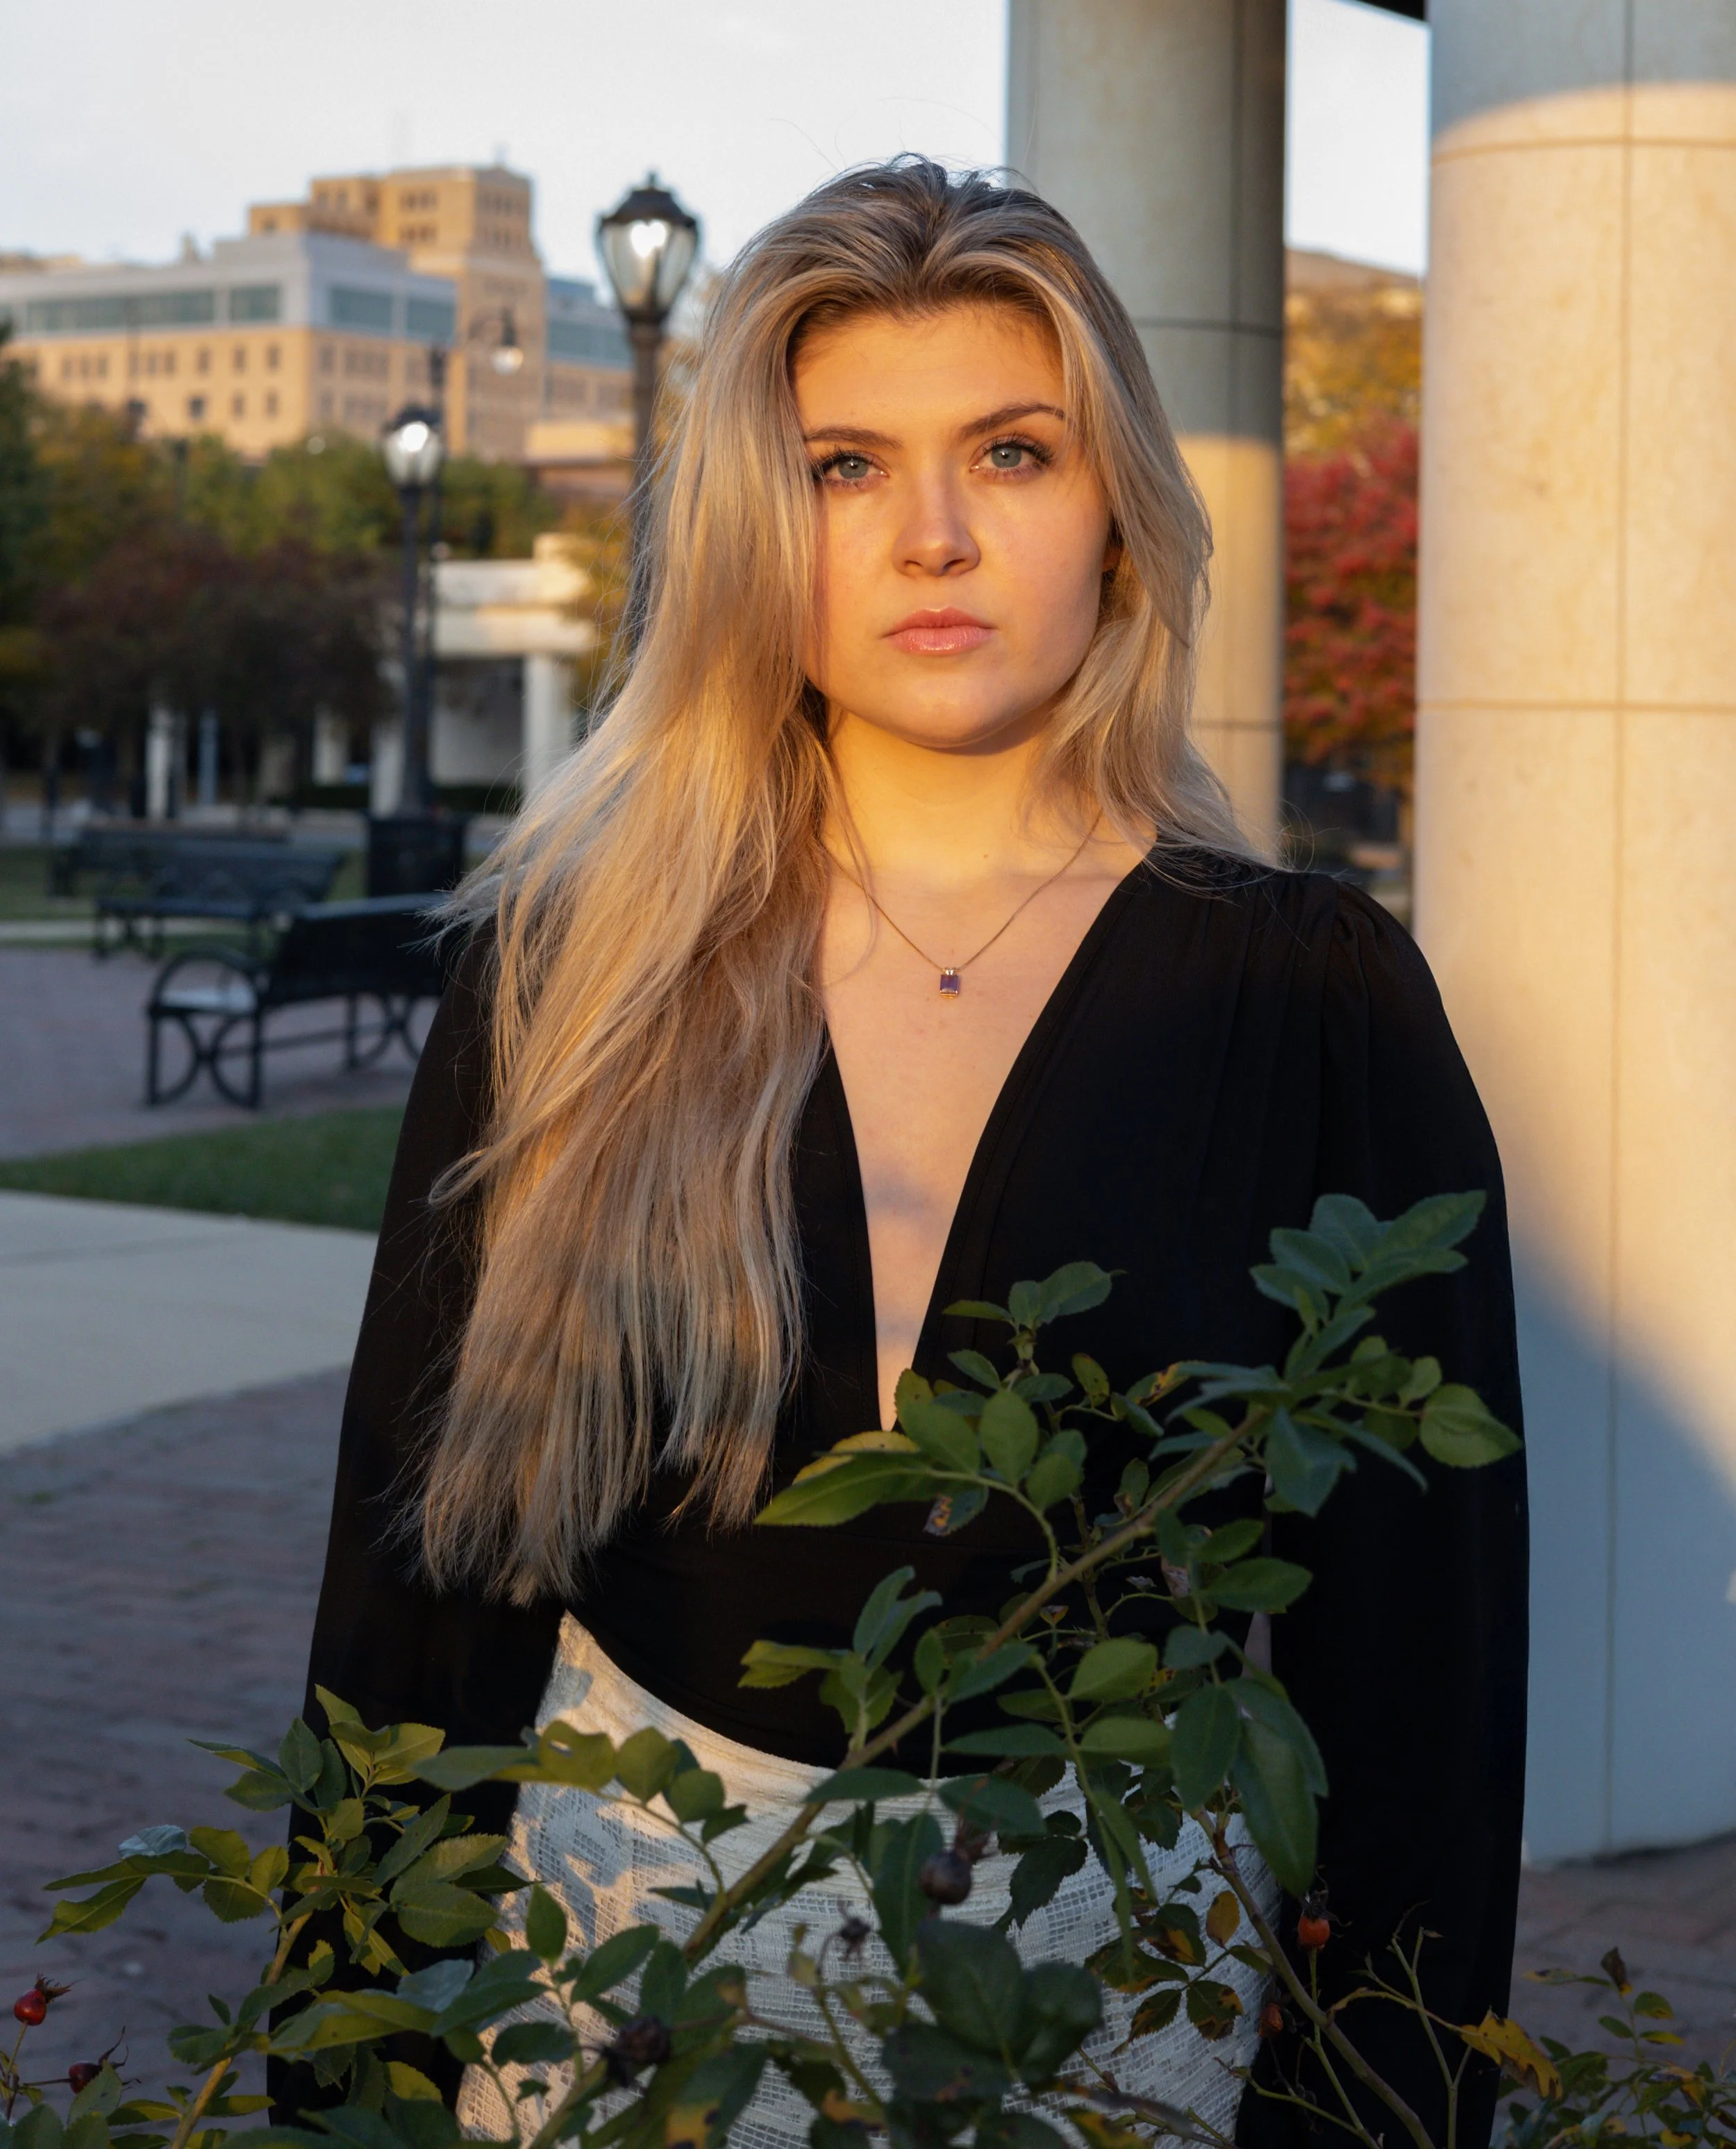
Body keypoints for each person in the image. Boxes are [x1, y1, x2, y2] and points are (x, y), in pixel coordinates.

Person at [293, 159, 1528, 2147]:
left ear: (1114, 504)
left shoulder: (1315, 1000)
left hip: (1120, 2020)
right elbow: (415, 1591)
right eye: (844, 465)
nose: (931, 534)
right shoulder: (572, 969)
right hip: (612, 2000)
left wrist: (1367, 2097)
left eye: (1010, 452)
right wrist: (336, 2075)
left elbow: (1421, 1675)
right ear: (745, 531)